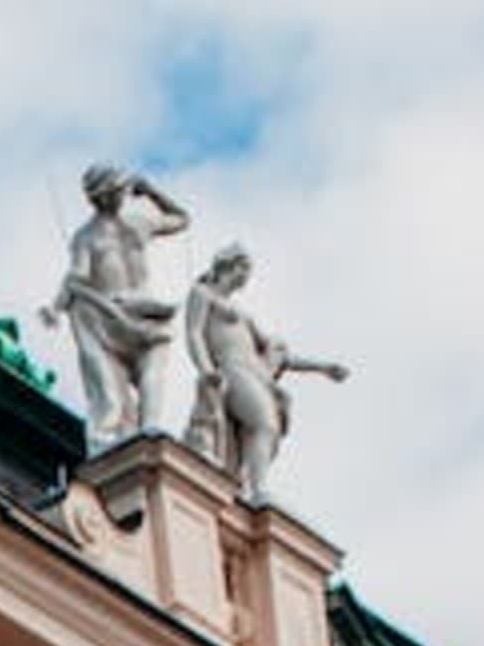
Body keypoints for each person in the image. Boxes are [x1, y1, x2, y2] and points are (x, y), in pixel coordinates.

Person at [183, 244, 347, 506]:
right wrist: (206, 370)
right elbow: (193, 334)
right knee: (263, 423)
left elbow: (279, 355)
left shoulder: (245, 315)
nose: (247, 275)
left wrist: (323, 367)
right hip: (231, 367)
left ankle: (249, 485)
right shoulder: (203, 294)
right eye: (245, 267)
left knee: (265, 428)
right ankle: (257, 489)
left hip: (256, 373)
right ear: (230, 265)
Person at [46, 164, 191, 445]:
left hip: (144, 310)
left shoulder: (138, 220)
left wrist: (151, 191)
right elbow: (76, 277)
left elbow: (182, 219)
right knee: (113, 393)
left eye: (120, 191)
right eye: (113, 192)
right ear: (98, 198)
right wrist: (56, 307)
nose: (118, 196)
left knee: (153, 367)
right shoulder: (87, 237)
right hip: (110, 316)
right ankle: (124, 435)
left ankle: (149, 428)